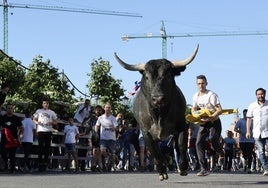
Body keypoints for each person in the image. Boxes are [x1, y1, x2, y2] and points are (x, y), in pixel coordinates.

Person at [191, 75, 223, 176]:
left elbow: (219, 109)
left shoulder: (211, 95)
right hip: (204, 123)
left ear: (206, 83)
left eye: (203, 83)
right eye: (199, 83)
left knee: (213, 141)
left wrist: (211, 118)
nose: (201, 85)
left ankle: (221, 153)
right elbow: (194, 108)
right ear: (197, 84)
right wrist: (194, 114)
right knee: (198, 143)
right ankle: (203, 168)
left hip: (214, 122)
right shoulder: (195, 96)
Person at [246, 87, 268, 176]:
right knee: (261, 151)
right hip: (257, 132)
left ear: (265, 94)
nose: (260, 96)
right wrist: (248, 131)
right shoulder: (252, 105)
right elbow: (249, 119)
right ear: (256, 95)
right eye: (258, 94)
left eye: (262, 94)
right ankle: (266, 169)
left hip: (267, 131)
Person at [33, 98, 58, 172]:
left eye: (46, 103)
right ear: (42, 104)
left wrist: (51, 123)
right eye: (44, 103)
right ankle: (40, 164)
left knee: (47, 148)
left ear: (48, 104)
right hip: (41, 130)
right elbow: (34, 119)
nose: (45, 105)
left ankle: (45, 164)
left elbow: (56, 121)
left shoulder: (51, 112)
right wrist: (38, 123)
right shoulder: (38, 111)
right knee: (40, 147)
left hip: (48, 131)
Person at [0, 103, 23, 173]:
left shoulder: (16, 118)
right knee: (2, 152)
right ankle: (6, 163)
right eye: (8, 108)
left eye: (11, 108)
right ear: (6, 110)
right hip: (4, 139)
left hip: (13, 139)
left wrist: (20, 134)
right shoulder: (3, 118)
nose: (10, 110)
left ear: (13, 110)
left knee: (12, 155)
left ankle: (12, 169)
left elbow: (21, 127)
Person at [95, 103, 118, 172]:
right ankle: (100, 166)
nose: (108, 109)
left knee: (112, 153)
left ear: (111, 109)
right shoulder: (100, 117)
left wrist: (114, 128)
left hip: (111, 138)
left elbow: (116, 127)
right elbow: (97, 125)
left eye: (109, 108)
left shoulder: (113, 118)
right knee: (102, 151)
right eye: (106, 107)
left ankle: (112, 165)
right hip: (103, 138)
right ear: (104, 108)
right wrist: (96, 131)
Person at [234, 109, 255, 173]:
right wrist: (240, 131)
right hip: (242, 140)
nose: (245, 115)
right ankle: (245, 165)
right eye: (244, 114)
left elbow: (255, 128)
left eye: (246, 114)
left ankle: (249, 168)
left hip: (250, 140)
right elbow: (235, 129)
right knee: (245, 154)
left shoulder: (252, 121)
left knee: (249, 153)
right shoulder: (240, 121)